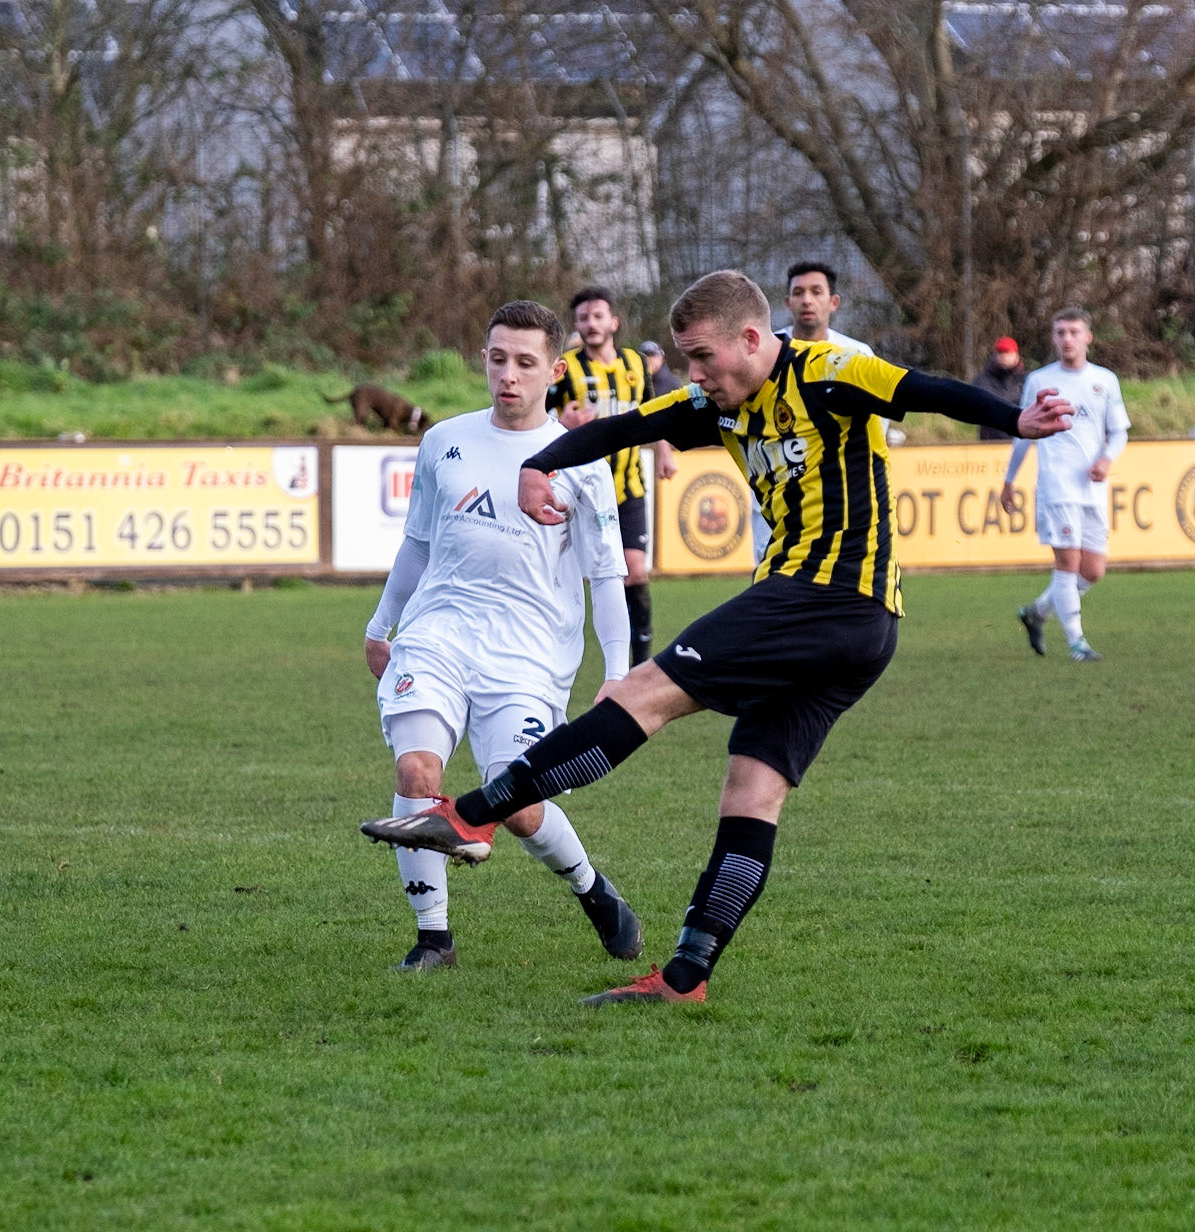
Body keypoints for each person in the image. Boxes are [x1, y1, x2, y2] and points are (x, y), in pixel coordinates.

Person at [363, 270, 1071, 1005]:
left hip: (823, 594)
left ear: (752, 339)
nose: (694, 375)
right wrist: (540, 464)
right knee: (750, 792)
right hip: (858, 629)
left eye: (702, 357)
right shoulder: (716, 403)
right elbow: (627, 426)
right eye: (685, 359)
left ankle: (467, 815)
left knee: (643, 691)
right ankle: (683, 978)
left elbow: (919, 388)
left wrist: (1012, 417)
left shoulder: (830, 372)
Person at [364, 300, 641, 972]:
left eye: (524, 362)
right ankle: (434, 939)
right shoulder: (444, 442)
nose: (507, 375)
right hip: (439, 633)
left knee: (516, 804)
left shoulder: (580, 464)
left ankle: (591, 890)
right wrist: (381, 623)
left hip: (528, 656)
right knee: (415, 769)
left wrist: (618, 670)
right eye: (496, 359)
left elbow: (606, 577)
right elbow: (418, 543)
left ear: (553, 369)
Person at [547, 286, 675, 666]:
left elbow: (655, 410)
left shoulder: (637, 363)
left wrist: (664, 451)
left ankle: (639, 666)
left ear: (613, 322)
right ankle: (557, 656)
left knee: (634, 571)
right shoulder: (565, 366)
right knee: (572, 578)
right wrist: (560, 422)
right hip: (578, 490)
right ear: (577, 325)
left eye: (598, 316)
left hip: (629, 485)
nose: (591, 324)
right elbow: (537, 418)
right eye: (584, 318)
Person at [1001, 308, 1128, 663]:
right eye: (1060, 332)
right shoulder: (1040, 381)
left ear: (1088, 336)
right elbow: (1023, 434)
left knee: (1093, 571)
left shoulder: (1105, 380)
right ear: (1053, 338)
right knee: (1068, 563)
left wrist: (1106, 459)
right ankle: (1078, 644)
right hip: (1057, 487)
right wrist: (1009, 480)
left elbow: (1119, 432)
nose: (1066, 339)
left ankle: (1037, 612)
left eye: (1073, 331)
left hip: (1092, 489)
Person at [752, 260, 879, 563]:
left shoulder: (857, 356)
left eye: (816, 291)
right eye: (798, 292)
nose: (806, 299)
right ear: (787, 302)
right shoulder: (764, 355)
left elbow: (876, 429)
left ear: (833, 301)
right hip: (776, 491)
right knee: (772, 584)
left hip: (839, 497)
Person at [971, 337, 1025, 441]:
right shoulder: (983, 379)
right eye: (1000, 353)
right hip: (990, 441)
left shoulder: (1026, 380)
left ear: (1016, 356)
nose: (1003, 356)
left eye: (1007, 353)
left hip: (1018, 440)